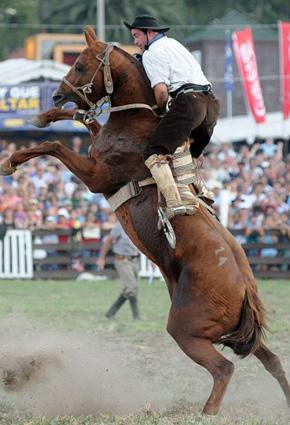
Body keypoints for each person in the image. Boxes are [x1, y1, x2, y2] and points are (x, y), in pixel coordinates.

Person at [124, 15, 220, 218]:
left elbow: (160, 91)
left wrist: (161, 109)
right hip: (210, 105)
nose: (136, 42)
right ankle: (200, 189)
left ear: (150, 33)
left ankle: (175, 203)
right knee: (185, 149)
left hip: (189, 103)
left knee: (153, 153)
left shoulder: (152, 53)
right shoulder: (174, 44)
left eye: (136, 36)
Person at [96, 221, 141, 320]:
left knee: (129, 289)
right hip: (122, 261)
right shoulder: (120, 226)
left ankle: (110, 312)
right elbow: (108, 241)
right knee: (132, 288)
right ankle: (136, 316)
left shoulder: (137, 225)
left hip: (134, 260)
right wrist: (101, 258)